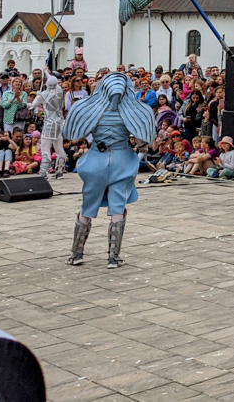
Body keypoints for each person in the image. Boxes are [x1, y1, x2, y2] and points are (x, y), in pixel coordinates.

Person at [63, 73, 155, 268]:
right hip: (122, 159)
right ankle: (113, 257)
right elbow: (142, 140)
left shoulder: (91, 109)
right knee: (117, 206)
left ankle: (76, 254)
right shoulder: (132, 111)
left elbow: (75, 135)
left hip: (96, 159)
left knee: (87, 206)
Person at [30, 75, 67, 178]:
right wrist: (46, 72)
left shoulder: (43, 95)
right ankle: (59, 171)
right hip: (59, 123)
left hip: (49, 124)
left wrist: (38, 95)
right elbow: (53, 80)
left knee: (45, 148)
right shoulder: (59, 91)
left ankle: (43, 172)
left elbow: (33, 105)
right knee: (59, 148)